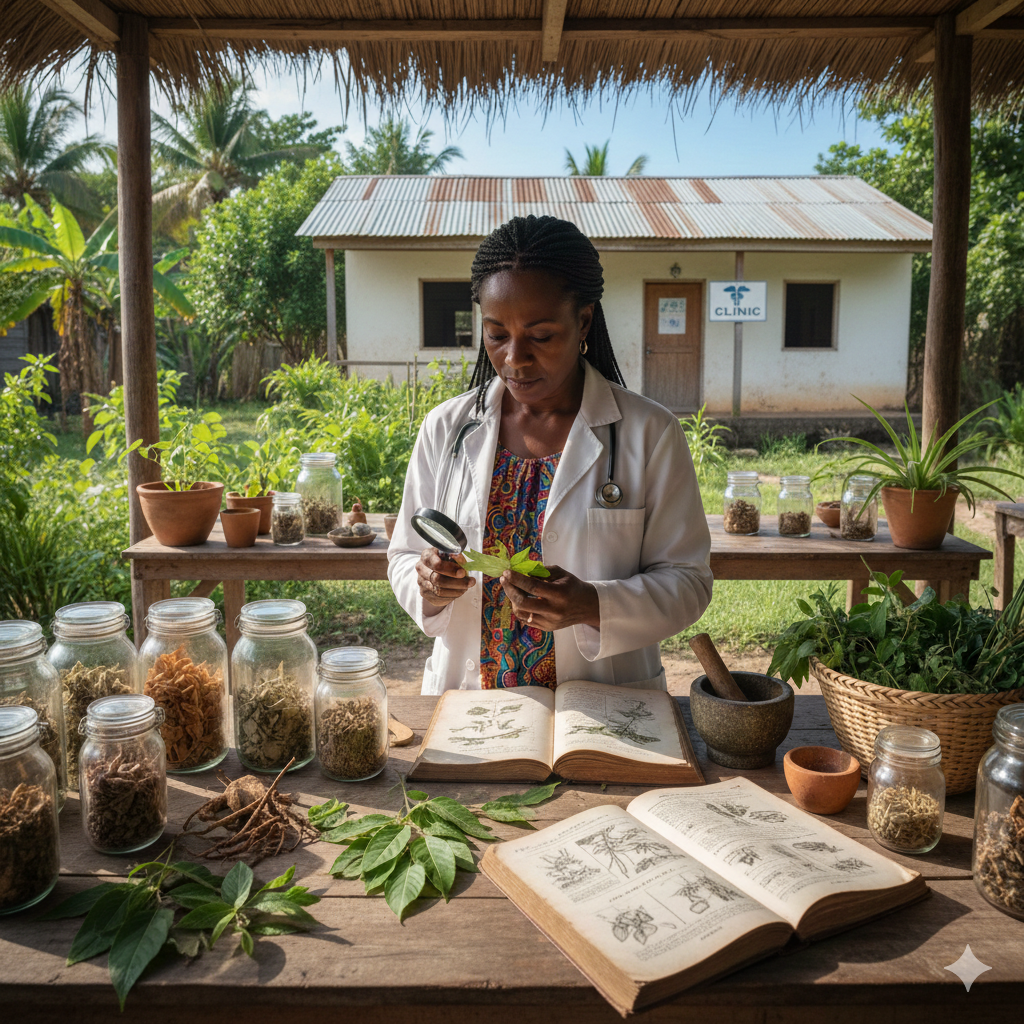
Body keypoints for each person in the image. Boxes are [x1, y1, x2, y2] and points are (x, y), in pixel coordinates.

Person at [387, 215, 712, 694]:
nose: (514, 358)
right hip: (470, 701)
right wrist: (429, 585)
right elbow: (403, 555)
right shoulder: (446, 428)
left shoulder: (650, 432)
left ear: (583, 321)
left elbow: (688, 581)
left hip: (602, 704)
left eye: (540, 336)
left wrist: (592, 605)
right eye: (497, 334)